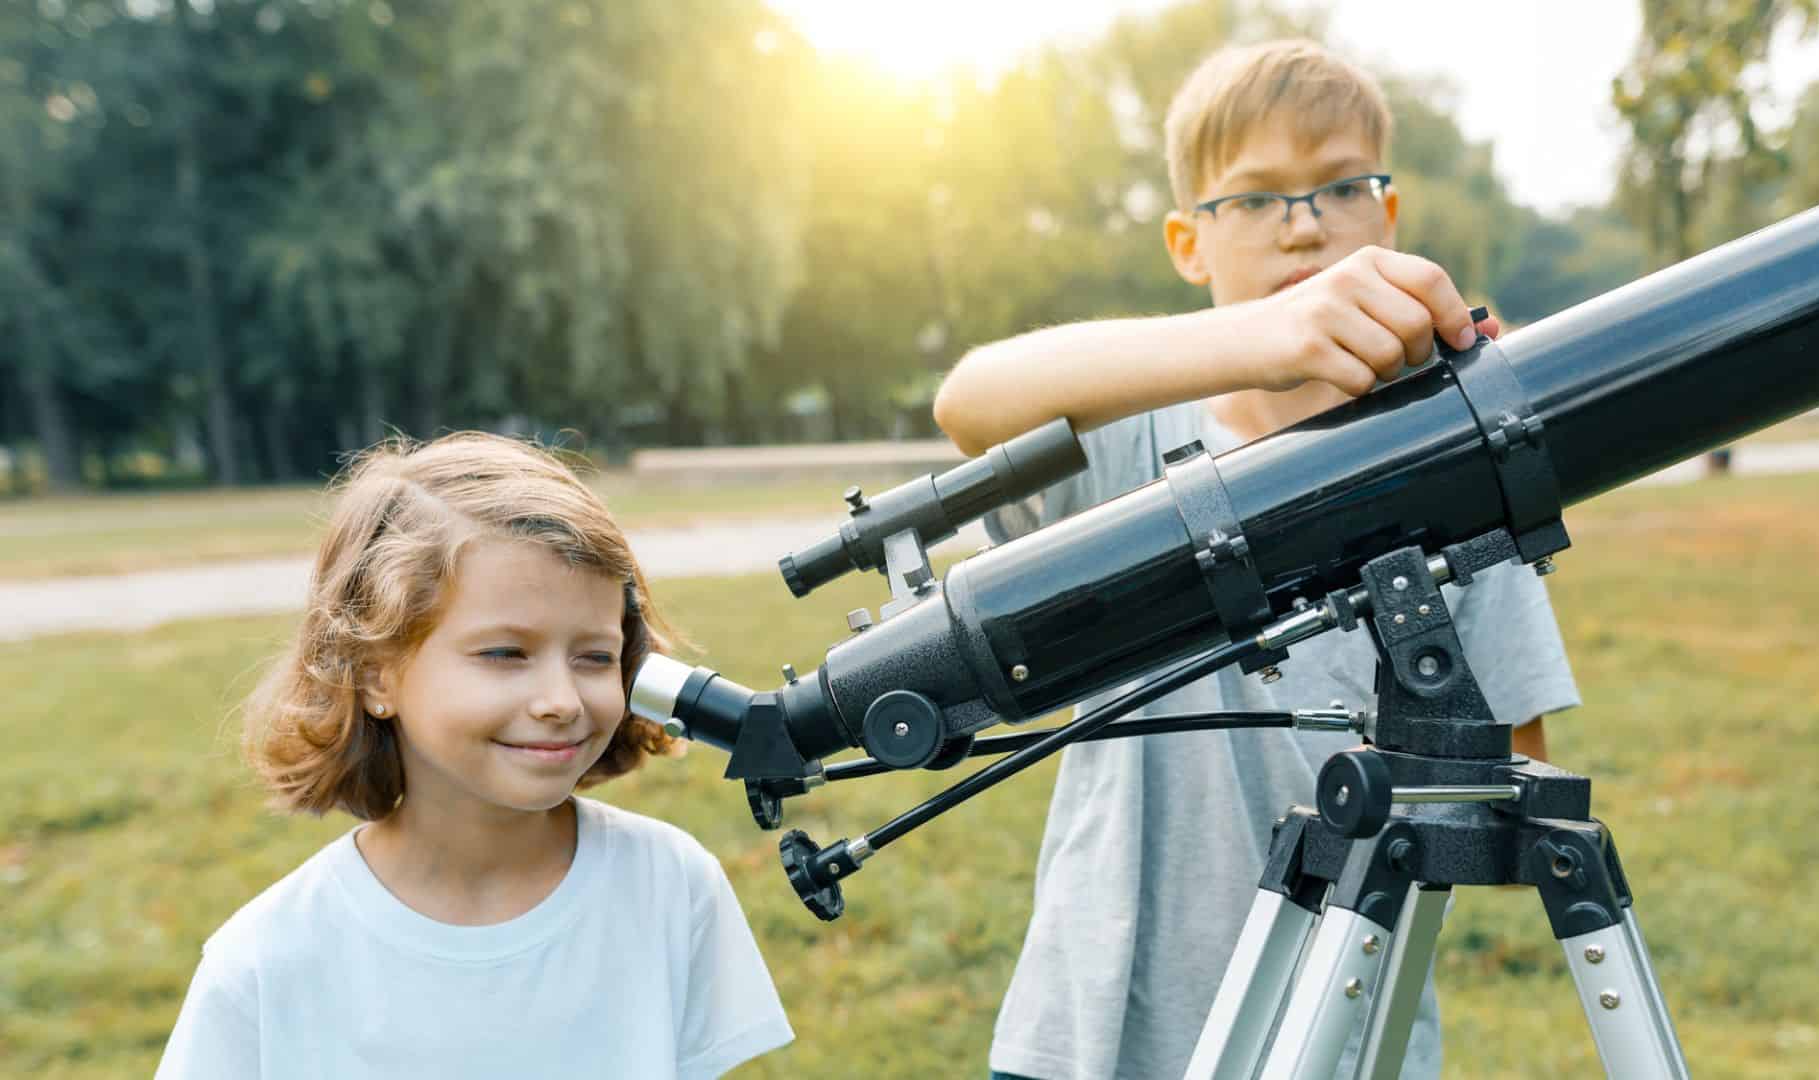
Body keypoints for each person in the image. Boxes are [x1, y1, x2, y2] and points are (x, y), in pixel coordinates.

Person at [933, 40, 1580, 1080]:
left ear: (1390, 216)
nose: (1305, 221)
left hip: (1344, 1031)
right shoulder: (1133, 448)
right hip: (1094, 1029)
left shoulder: (1454, 466)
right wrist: (1262, 336)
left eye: (1340, 185)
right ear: (1189, 243)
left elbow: (1508, 769)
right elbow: (970, 400)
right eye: (1258, 198)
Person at [155, 432, 793, 1079]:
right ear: (377, 674)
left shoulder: (671, 887)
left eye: (594, 656)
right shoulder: (266, 965)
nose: (561, 700)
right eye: (505, 654)